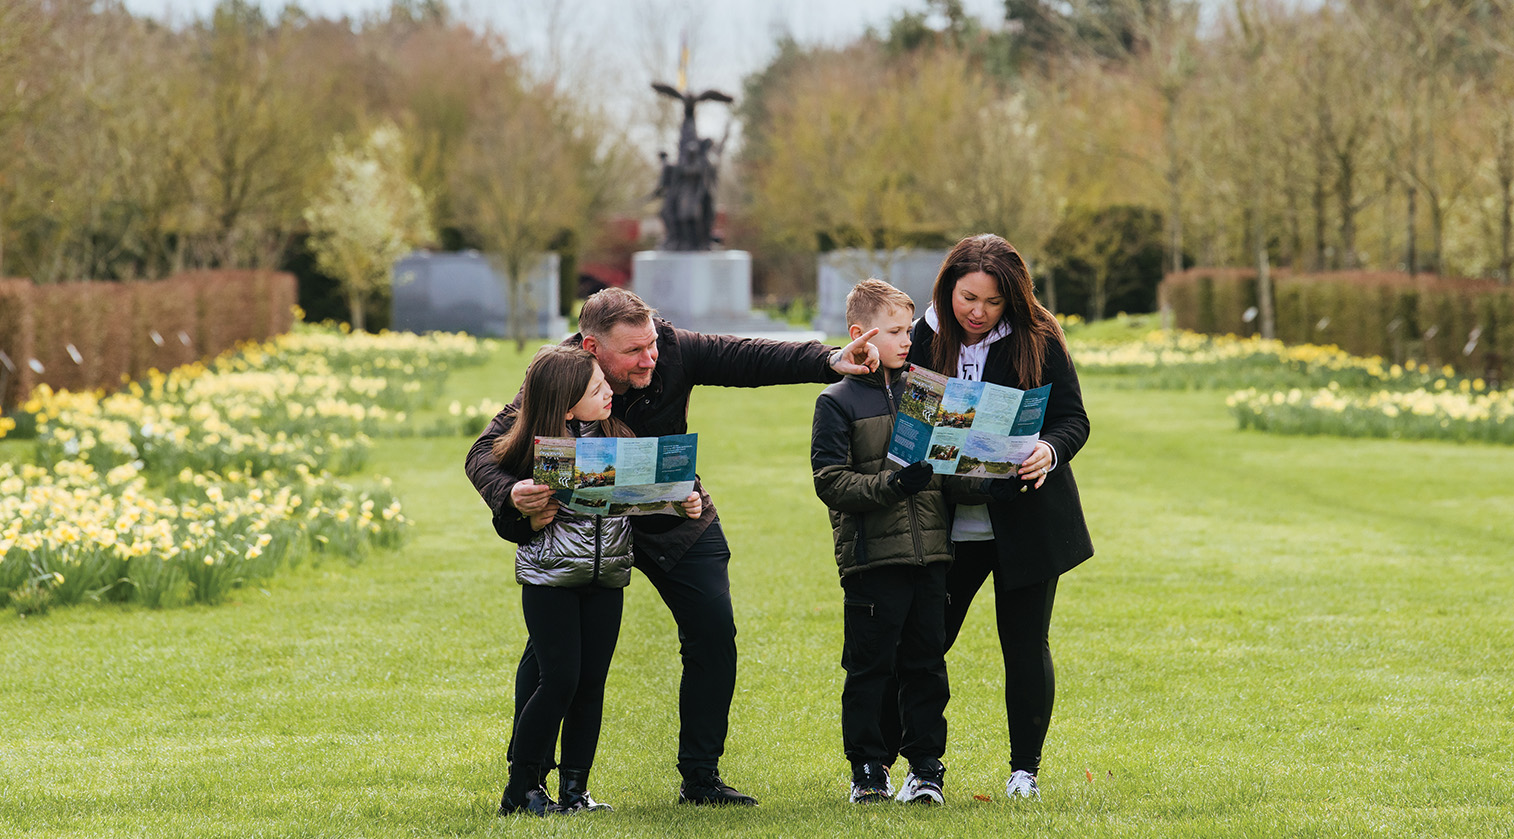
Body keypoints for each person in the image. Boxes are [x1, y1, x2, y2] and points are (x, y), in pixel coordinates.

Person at [465, 287, 880, 806]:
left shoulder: (674, 347)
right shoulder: (563, 371)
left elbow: (747, 356)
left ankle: (700, 779)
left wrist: (828, 360)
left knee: (713, 632)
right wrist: (512, 496)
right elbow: (484, 451)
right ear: (593, 347)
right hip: (582, 534)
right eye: (634, 352)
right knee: (556, 660)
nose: (650, 358)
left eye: (653, 344)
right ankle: (529, 781)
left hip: (676, 515)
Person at [906, 234, 1094, 801]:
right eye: (968, 298)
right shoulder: (923, 333)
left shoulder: (1040, 335)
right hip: (946, 521)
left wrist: (1049, 450)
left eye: (992, 303)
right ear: (948, 288)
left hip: (1026, 520)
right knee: (924, 644)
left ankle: (1024, 772)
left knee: (1025, 644)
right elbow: (904, 417)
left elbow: (1072, 419)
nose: (978, 313)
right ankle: (917, 769)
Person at [491, 345, 703, 816]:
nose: (610, 391)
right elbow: (507, 524)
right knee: (560, 679)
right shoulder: (532, 447)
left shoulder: (619, 436)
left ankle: (574, 791)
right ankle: (521, 788)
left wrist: (678, 508)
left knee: (591, 683)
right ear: (567, 404)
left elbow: (641, 516)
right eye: (597, 388)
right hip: (551, 581)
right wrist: (524, 513)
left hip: (608, 578)